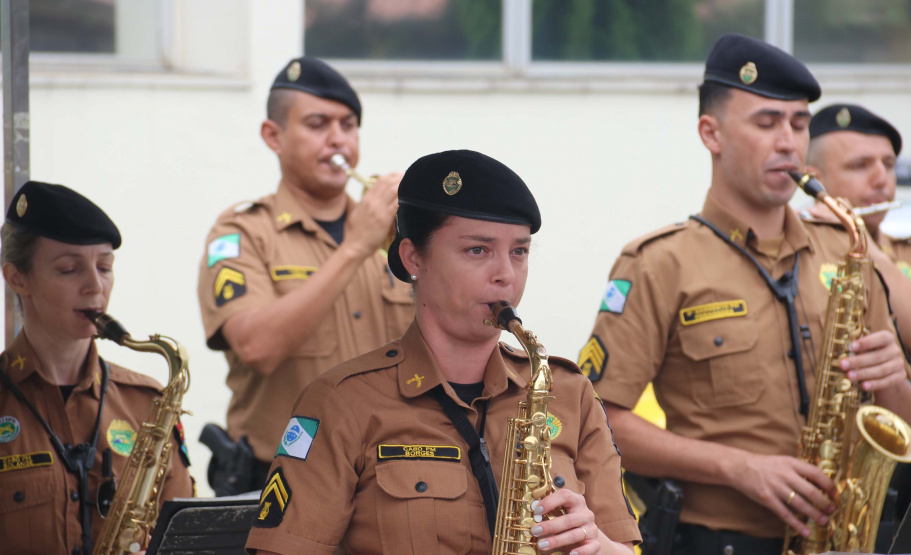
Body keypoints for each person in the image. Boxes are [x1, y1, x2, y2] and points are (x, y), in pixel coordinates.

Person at [578, 34, 911, 555]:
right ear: (710, 133)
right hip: (718, 542)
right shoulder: (659, 262)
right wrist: (738, 468)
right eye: (766, 123)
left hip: (849, 538)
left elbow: (905, 424)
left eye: (799, 124)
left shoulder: (847, 251)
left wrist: (895, 381)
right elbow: (600, 421)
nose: (788, 142)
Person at [245, 150, 641, 555]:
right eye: (478, 250)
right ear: (413, 257)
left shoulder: (570, 393)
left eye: (519, 251)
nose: (505, 273)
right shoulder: (341, 403)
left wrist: (601, 545)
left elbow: (625, 547)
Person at [197, 56, 414, 494]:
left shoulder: (395, 235)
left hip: (390, 479)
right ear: (273, 136)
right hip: (284, 482)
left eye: (348, 125)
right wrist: (355, 247)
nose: (338, 141)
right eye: (317, 124)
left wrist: (427, 236)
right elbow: (257, 346)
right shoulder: (241, 233)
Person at [0, 181, 194, 554]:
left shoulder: (147, 402)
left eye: (105, 267)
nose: (95, 286)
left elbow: (183, 536)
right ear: (17, 278)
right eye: (69, 269)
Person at [805, 104, 911, 351]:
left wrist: (869, 249)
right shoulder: (799, 252)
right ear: (814, 181)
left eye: (888, 164)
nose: (881, 179)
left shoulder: (909, 249)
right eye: (860, 165)